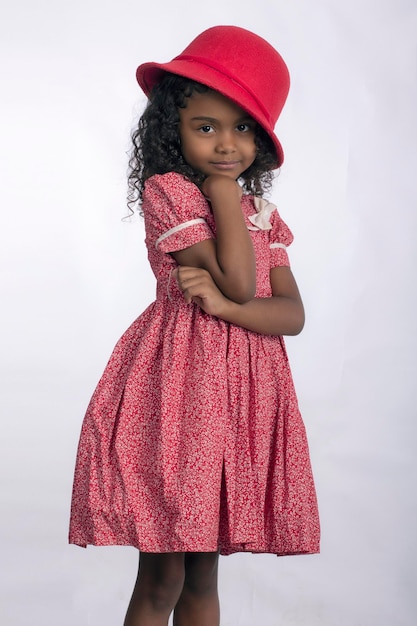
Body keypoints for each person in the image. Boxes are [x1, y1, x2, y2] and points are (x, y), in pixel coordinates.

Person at [69, 25, 320, 626]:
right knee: (163, 573)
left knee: (205, 572)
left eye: (242, 128)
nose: (226, 144)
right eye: (205, 126)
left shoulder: (264, 215)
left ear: (261, 137)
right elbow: (238, 278)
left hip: (240, 397)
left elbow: (290, 314)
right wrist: (223, 195)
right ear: (172, 130)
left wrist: (233, 311)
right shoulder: (172, 192)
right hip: (181, 387)